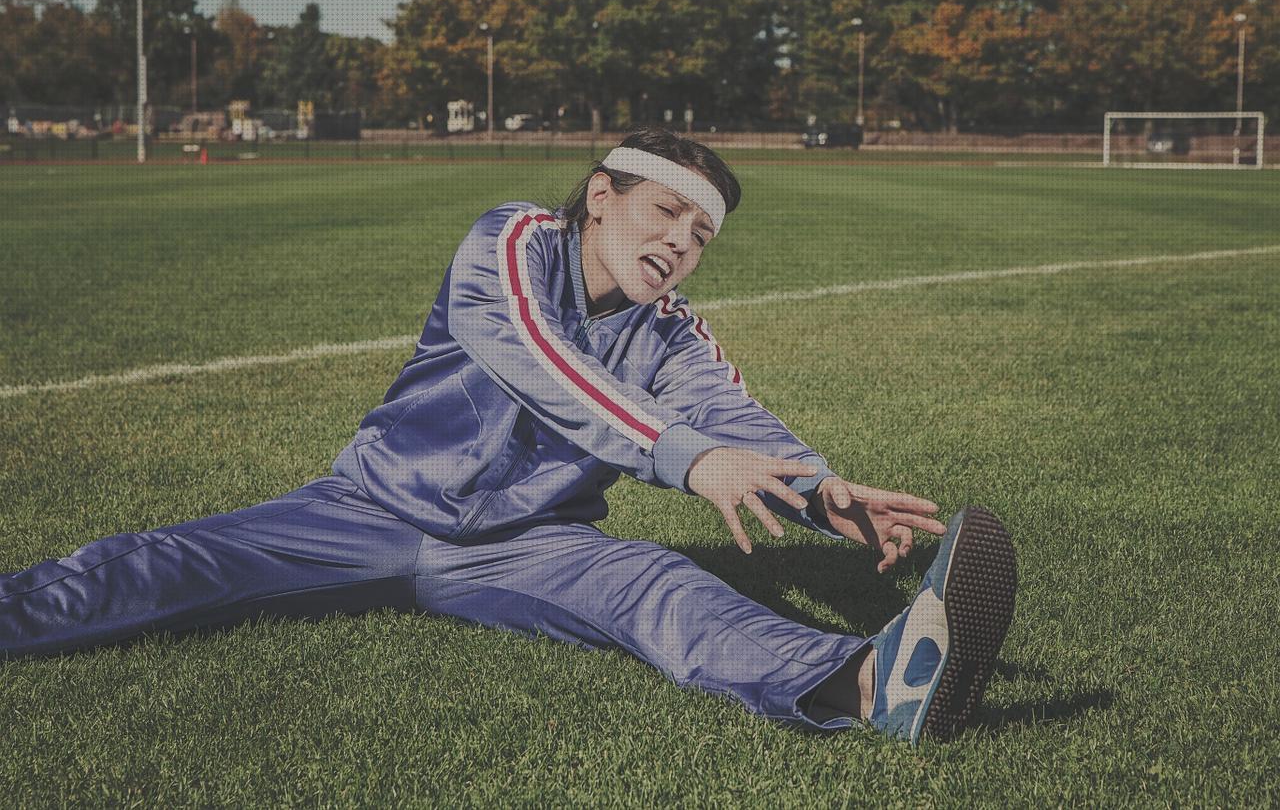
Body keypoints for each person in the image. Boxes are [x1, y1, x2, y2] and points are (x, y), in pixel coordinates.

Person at [0, 128, 1016, 745]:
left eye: (699, 235)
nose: (678, 243)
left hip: (530, 546)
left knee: (659, 588)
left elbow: (735, 420)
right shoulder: (511, 242)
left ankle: (875, 683)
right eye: (665, 212)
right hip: (365, 509)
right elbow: (539, 361)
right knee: (165, 566)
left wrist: (819, 492)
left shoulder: (673, 335)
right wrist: (686, 456)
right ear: (603, 196)